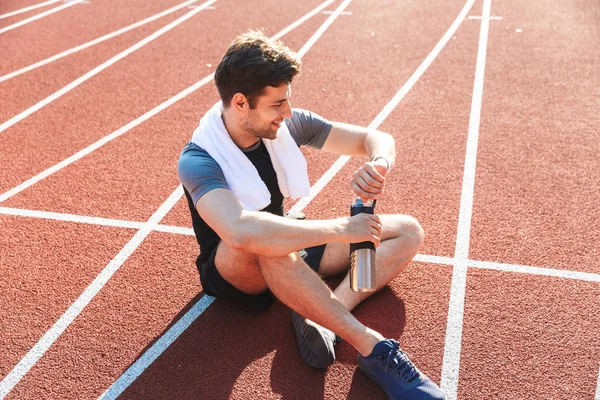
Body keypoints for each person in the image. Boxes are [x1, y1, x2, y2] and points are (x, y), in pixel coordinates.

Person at [177, 30, 445, 400]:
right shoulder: (198, 160)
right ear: (241, 103)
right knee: (265, 242)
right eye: (276, 105)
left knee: (407, 232)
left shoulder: (287, 125)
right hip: (235, 267)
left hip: (285, 241)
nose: (286, 113)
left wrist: (379, 162)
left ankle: (323, 317)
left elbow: (375, 139)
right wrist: (340, 229)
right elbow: (239, 231)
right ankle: (371, 346)